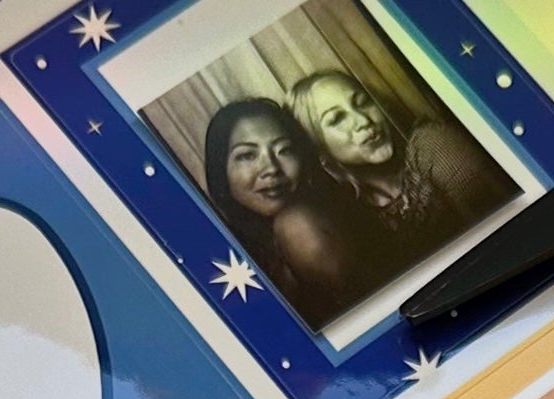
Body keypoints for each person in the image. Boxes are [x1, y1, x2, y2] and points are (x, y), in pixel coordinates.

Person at [286, 69, 514, 275]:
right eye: (337, 119)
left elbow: (502, 234)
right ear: (318, 149)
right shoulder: (347, 219)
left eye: (363, 102)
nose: (363, 120)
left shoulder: (432, 143)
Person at [199, 97, 380, 329]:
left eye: (284, 150)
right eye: (247, 155)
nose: (272, 168)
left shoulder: (299, 224)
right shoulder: (221, 254)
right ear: (220, 169)